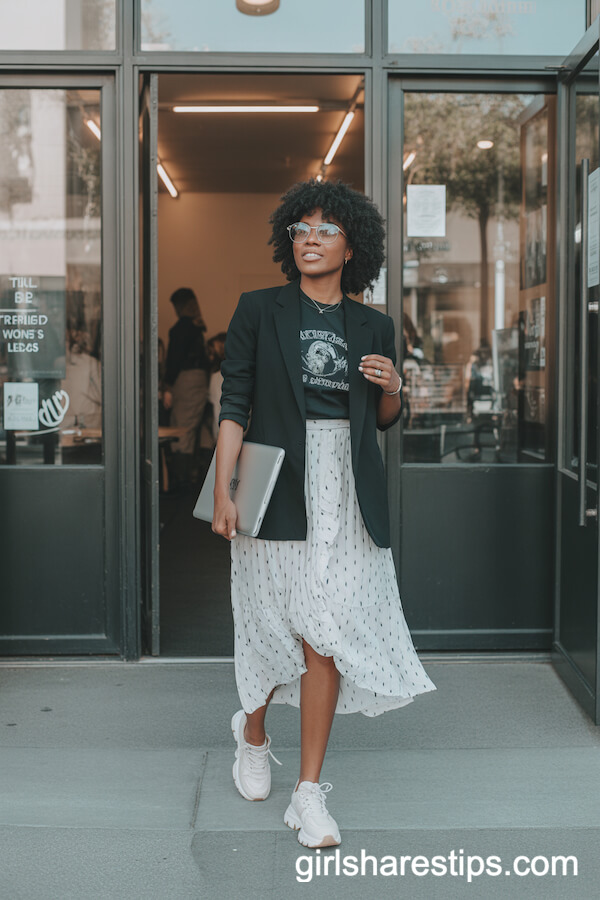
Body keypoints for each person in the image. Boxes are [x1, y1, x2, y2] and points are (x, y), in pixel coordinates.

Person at [213, 179, 436, 850]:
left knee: (324, 632)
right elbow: (234, 402)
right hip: (268, 471)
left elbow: (384, 422)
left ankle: (308, 793)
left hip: (345, 481)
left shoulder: (374, 323)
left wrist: (397, 387)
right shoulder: (260, 309)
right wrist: (224, 487)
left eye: (325, 229)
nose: (309, 237)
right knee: (264, 624)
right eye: (300, 227)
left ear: (351, 246)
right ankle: (251, 732)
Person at [163, 287, 210, 487]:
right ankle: (185, 478)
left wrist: (167, 386)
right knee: (190, 428)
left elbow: (174, 360)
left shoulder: (181, 328)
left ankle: (181, 481)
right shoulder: (198, 327)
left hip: (185, 379)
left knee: (181, 428)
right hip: (199, 380)